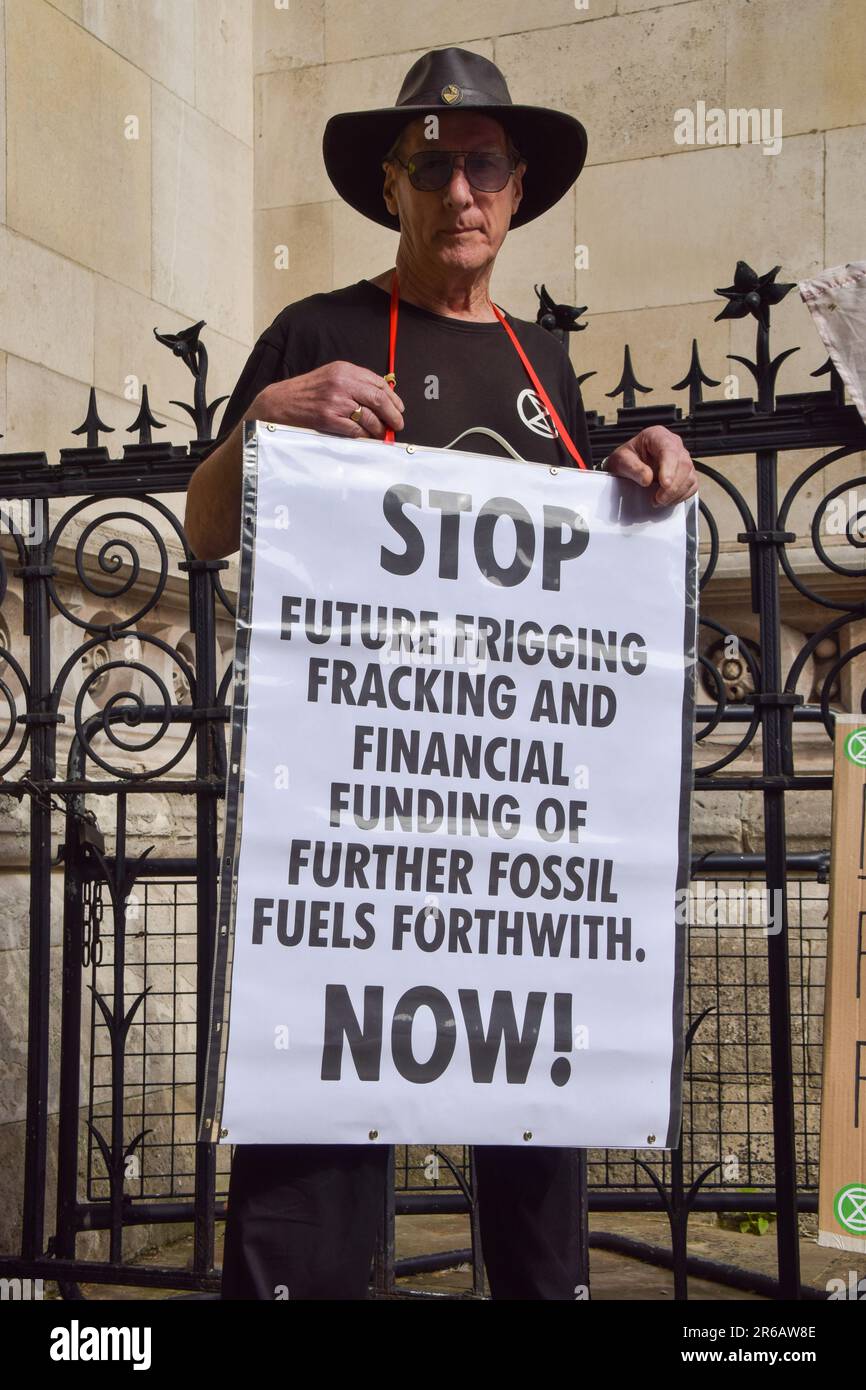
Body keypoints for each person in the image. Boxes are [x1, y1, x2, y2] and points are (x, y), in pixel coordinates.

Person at [185, 46, 698, 1301]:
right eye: (431, 166)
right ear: (391, 186)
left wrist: (644, 470)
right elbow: (203, 529)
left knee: (535, 1182)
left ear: (516, 190)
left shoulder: (542, 365)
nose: (457, 190)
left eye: (480, 165)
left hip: (512, 835)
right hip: (354, 825)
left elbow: (578, 569)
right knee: (312, 1166)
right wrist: (264, 421)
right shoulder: (318, 332)